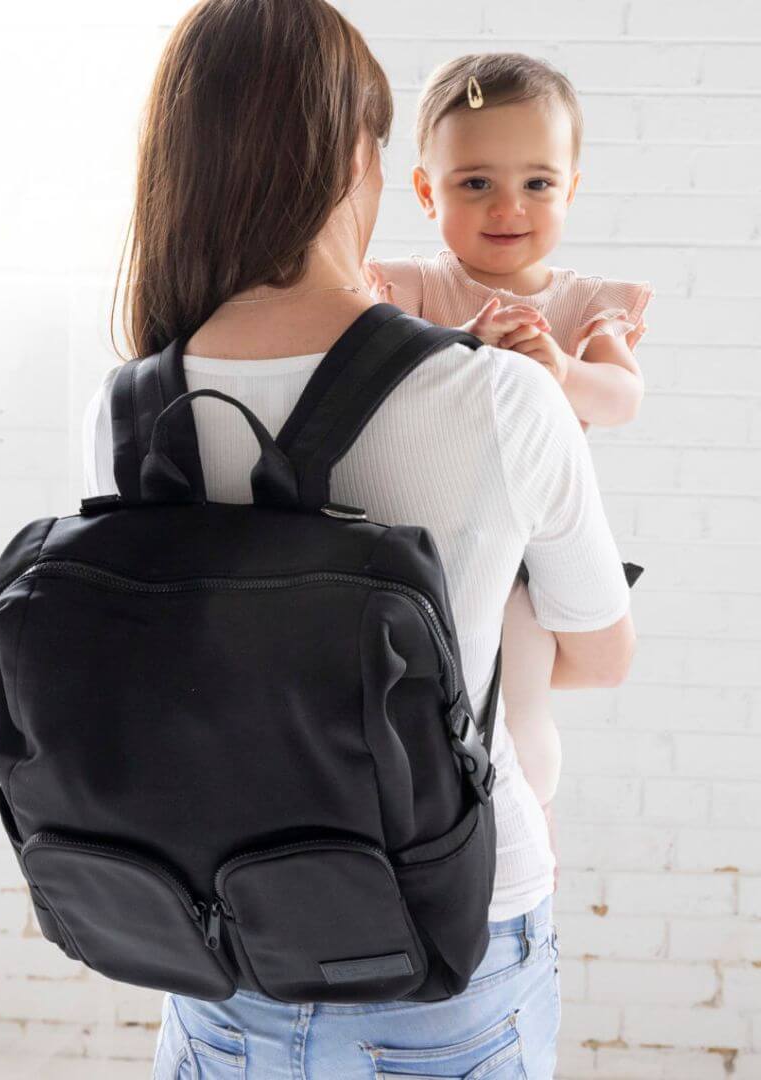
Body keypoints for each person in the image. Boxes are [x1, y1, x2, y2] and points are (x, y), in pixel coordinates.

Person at [81, 2, 635, 1076]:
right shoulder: (506, 393)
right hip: (450, 937)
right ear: (357, 158)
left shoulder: (134, 401)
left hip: (217, 933)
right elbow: (605, 655)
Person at [366, 52, 654, 891]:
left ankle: (525, 827)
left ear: (570, 188)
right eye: (475, 184)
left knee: (521, 711)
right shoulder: (415, 287)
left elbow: (622, 398)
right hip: (442, 538)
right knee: (428, 698)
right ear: (426, 193)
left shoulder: (580, 302)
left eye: (535, 183)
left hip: (530, 550)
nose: (507, 208)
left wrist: (560, 370)